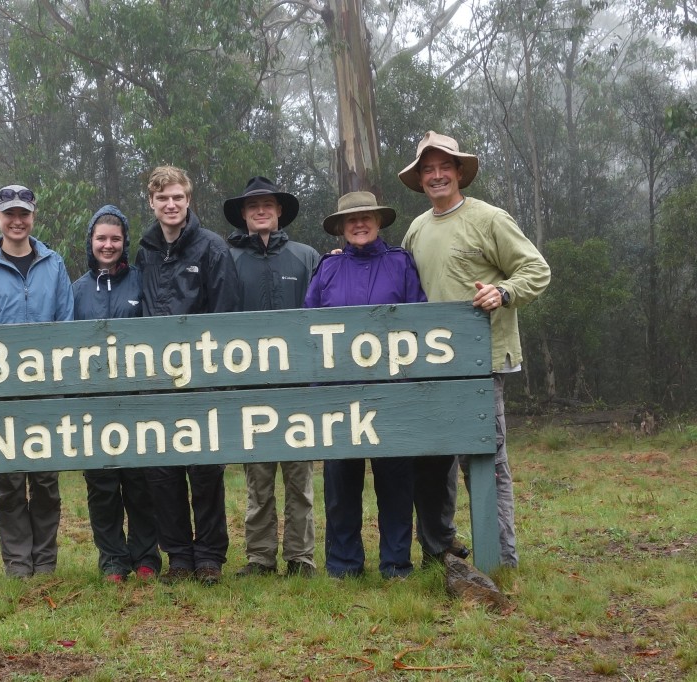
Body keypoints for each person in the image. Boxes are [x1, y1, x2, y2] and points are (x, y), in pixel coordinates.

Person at [399, 131, 551, 569]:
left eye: (444, 166)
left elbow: (536, 270)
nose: (437, 175)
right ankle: (440, 548)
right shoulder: (418, 228)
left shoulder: (489, 218)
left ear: (460, 171)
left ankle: (501, 559)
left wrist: (502, 293)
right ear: (420, 179)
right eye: (428, 169)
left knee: (486, 463)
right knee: (433, 462)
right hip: (430, 365)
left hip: (482, 363)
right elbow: (401, 280)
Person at [303, 191, 427, 579]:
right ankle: (343, 566)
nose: (360, 224)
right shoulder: (327, 269)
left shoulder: (401, 264)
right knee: (340, 486)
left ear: (378, 222)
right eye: (351, 219)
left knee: (396, 485)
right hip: (339, 396)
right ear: (340, 227)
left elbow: (419, 322)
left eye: (367, 217)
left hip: (393, 396)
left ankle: (396, 564)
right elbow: (307, 328)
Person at [0, 184, 74, 578]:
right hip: (1, 396)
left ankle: (45, 562)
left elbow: (66, 328)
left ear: (33, 216)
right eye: (9, 213)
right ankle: (16, 563)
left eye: (23, 213)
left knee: (45, 482)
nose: (17, 221)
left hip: (46, 393)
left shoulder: (54, 263)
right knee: (9, 484)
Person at [135, 165, 241, 585]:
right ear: (152, 202)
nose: (171, 204)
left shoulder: (212, 248)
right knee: (162, 473)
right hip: (156, 380)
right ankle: (178, 555)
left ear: (188, 200)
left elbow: (227, 314)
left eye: (178, 196)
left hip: (203, 379)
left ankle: (210, 555)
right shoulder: (144, 250)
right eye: (163, 198)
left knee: (204, 471)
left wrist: (215, 375)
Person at [224, 176, 320, 578]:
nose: (260, 210)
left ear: (280, 211)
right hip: (250, 389)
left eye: (267, 204)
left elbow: (323, 315)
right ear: (244, 215)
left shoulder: (307, 257)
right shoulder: (226, 259)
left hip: (298, 388)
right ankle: (260, 558)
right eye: (252, 206)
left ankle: (301, 558)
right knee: (258, 482)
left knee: (300, 481)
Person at [72, 205, 162, 583]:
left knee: (140, 484)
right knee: (102, 486)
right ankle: (112, 559)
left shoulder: (142, 281)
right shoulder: (75, 290)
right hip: (93, 404)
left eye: (114, 239)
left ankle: (146, 557)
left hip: (138, 400)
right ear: (91, 242)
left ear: (124, 242)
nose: (107, 245)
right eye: (101, 238)